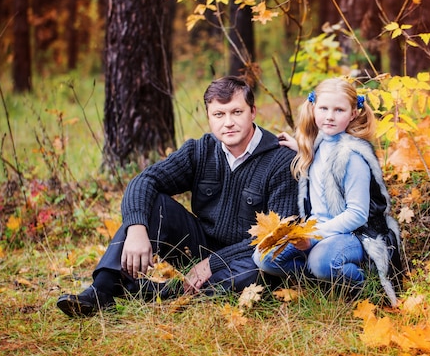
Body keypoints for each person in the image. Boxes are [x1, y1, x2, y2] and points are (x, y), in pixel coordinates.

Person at [57, 76, 299, 317]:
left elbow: (278, 238)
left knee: (256, 273)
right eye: (218, 114)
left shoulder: (279, 160)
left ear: (253, 112)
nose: (228, 123)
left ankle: (162, 292)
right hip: (198, 247)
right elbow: (144, 181)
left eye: (237, 112)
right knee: (153, 204)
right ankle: (101, 291)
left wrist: (214, 264)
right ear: (208, 116)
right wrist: (137, 228)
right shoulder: (201, 150)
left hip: (246, 258)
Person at [253, 77, 402, 306]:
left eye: (339, 110)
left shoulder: (351, 157)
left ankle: (368, 285)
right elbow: (319, 162)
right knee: (264, 257)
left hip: (354, 235)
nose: (330, 116)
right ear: (313, 108)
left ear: (353, 114)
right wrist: (301, 148)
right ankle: (322, 283)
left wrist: (313, 236)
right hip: (317, 227)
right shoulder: (320, 143)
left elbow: (357, 215)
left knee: (322, 262)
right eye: (323, 108)